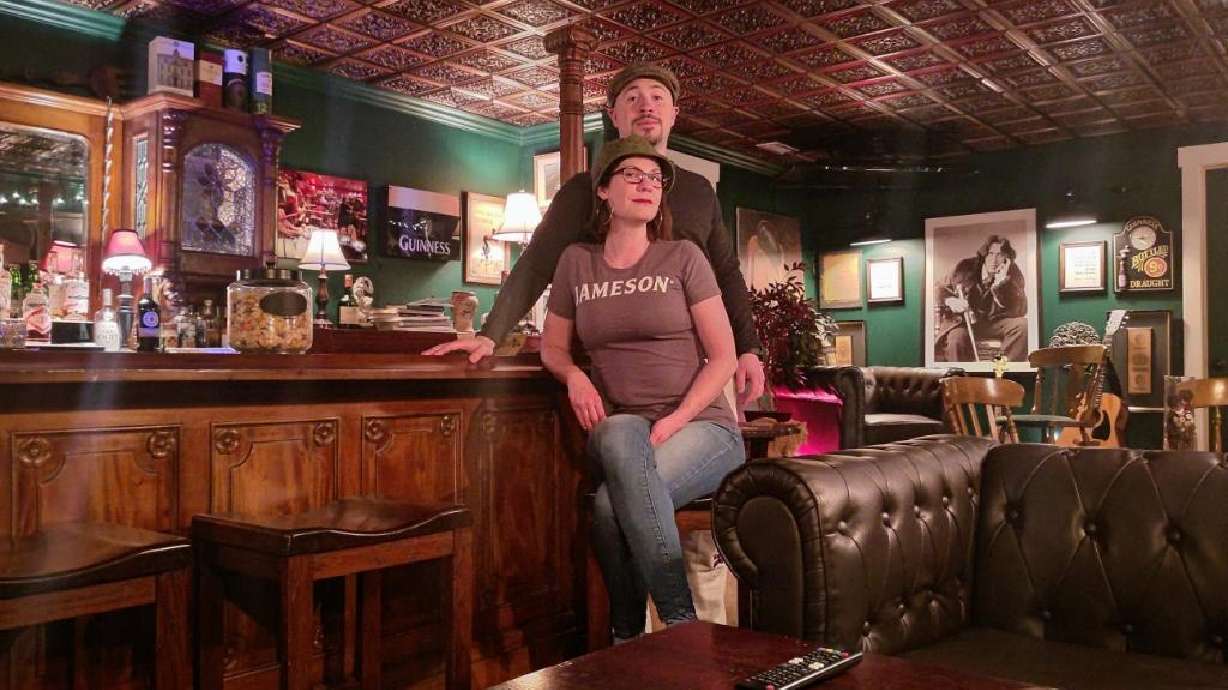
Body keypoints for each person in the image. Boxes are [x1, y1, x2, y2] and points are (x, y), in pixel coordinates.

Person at [423, 62, 765, 408]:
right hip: (613, 379)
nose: (646, 106)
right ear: (613, 114)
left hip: (700, 372)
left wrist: (748, 348)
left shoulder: (698, 190)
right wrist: (490, 335)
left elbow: (726, 272)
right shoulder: (580, 192)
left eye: (657, 98)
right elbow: (536, 264)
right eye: (632, 98)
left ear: (674, 114)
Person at [540, 134, 745, 642]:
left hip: (702, 426)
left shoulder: (683, 257)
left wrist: (677, 421)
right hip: (628, 430)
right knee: (617, 433)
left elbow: (723, 357)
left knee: (610, 507)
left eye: (655, 178)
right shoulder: (576, 262)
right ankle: (660, 635)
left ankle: (645, 631)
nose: (646, 185)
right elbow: (553, 348)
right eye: (632, 174)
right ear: (604, 191)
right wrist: (574, 376)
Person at [935, 234, 1027, 361]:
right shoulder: (965, 267)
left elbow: (1021, 309)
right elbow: (939, 288)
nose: (994, 260)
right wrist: (951, 301)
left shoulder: (1013, 273)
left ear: (1007, 259)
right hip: (964, 322)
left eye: (1000, 255)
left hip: (994, 323)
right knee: (956, 339)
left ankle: (1002, 372)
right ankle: (962, 379)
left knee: (1022, 326)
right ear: (984, 255)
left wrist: (1001, 287)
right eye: (990, 254)